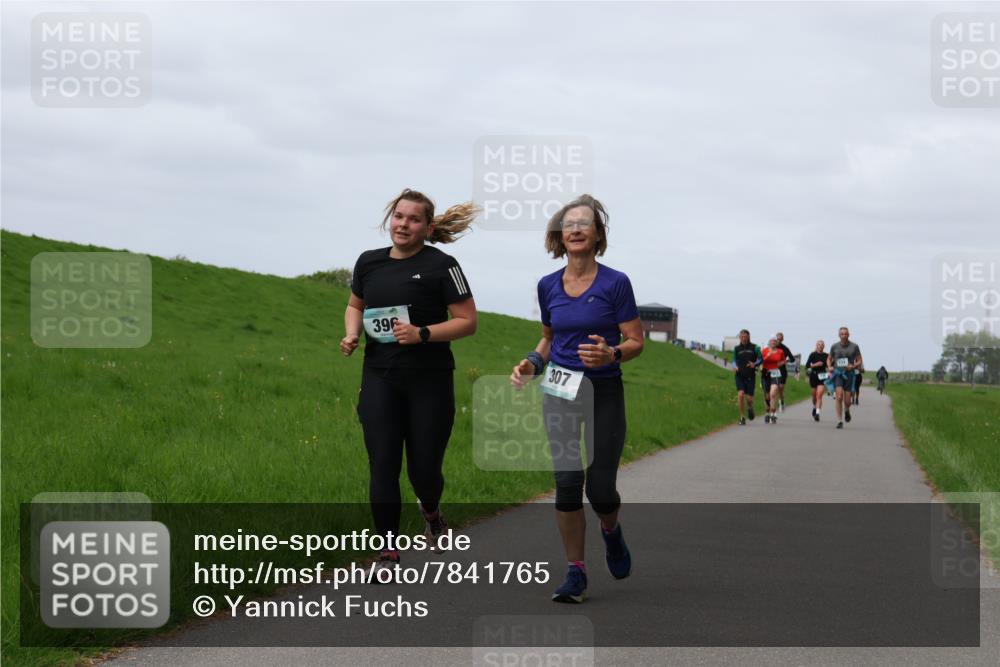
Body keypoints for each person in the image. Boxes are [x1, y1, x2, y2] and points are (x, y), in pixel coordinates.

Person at [510, 194, 643, 603]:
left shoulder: (615, 283)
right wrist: (532, 363)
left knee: (600, 489)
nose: (576, 229)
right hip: (561, 388)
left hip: (603, 389)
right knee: (568, 484)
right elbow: (549, 339)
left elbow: (635, 339)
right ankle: (576, 572)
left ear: (598, 234)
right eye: (569, 225)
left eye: (585, 223)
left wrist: (613, 353)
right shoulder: (547, 285)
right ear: (559, 235)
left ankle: (611, 530)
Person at [342, 188, 478, 573]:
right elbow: (355, 305)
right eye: (399, 216)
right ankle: (386, 550)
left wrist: (422, 333)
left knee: (424, 471)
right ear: (391, 218)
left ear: (428, 227)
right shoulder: (368, 263)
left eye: (413, 219)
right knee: (382, 463)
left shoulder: (442, 265)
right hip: (380, 377)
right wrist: (352, 334)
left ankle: (431, 512)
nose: (403, 224)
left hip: (429, 382)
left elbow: (468, 322)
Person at [827, 327, 863, 430]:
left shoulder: (854, 346)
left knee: (847, 401)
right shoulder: (834, 346)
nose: (844, 336)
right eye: (842, 334)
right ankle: (839, 421)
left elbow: (860, 360)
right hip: (838, 373)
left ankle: (847, 410)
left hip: (850, 374)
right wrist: (829, 366)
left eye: (845, 334)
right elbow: (829, 358)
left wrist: (854, 366)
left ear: (849, 335)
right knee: (838, 396)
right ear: (839, 335)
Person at [731, 330, 762, 425]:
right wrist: (735, 366)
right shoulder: (736, 348)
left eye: (745, 336)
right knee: (740, 395)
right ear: (739, 337)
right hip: (739, 375)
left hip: (750, 375)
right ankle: (742, 417)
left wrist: (755, 364)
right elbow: (734, 360)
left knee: (749, 399)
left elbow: (761, 359)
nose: (744, 338)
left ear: (749, 337)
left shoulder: (755, 347)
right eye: (742, 336)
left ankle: (750, 408)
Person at [760, 338, 787, 424]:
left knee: (773, 393)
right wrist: (768, 354)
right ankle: (767, 413)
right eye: (771, 341)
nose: (773, 343)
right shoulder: (764, 351)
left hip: (775, 373)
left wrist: (782, 363)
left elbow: (782, 361)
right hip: (765, 373)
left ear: (776, 343)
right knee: (766, 395)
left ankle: (773, 413)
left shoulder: (780, 351)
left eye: (774, 342)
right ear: (769, 343)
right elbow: (761, 361)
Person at [805, 340, 830, 422]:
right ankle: (814, 407)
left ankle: (817, 413)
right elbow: (807, 366)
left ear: (824, 346)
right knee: (814, 396)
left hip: (822, 376)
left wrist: (830, 371)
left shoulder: (827, 355)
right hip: (814, 376)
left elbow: (830, 365)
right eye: (819, 344)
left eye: (822, 345)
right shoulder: (812, 354)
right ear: (816, 346)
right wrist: (815, 365)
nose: (820, 346)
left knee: (819, 395)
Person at [775, 332, 794, 412]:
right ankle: (774, 404)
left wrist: (786, 361)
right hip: (773, 370)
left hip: (782, 371)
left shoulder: (785, 348)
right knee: (774, 388)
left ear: (782, 340)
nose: (778, 340)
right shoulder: (771, 347)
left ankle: (781, 401)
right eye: (777, 339)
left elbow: (792, 359)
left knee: (781, 388)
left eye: (780, 339)